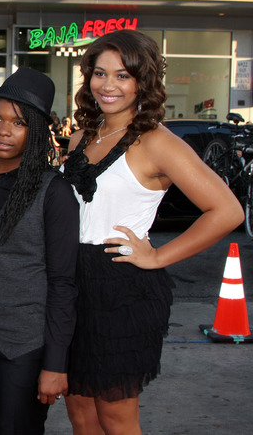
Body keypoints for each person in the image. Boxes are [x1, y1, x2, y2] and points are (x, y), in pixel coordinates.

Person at [61, 29, 243, 434]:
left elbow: (227, 210)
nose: (108, 85)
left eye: (122, 75)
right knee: (79, 410)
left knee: (116, 415)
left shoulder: (158, 142)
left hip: (121, 285)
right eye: (99, 73)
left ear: (144, 81)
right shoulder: (81, 137)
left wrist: (158, 256)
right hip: (70, 282)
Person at [0, 67, 79, 435]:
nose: (4, 131)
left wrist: (56, 364)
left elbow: (63, 282)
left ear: (36, 131)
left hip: (23, 347)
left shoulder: (54, 192)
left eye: (18, 123)